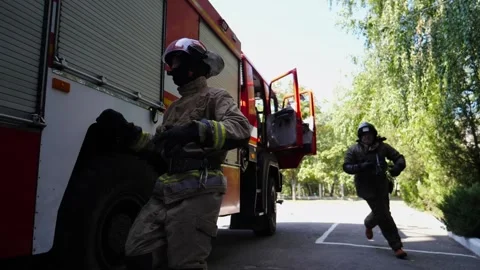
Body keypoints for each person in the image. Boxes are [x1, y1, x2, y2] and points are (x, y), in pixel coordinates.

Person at [96, 37, 251, 269]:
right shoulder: (174, 109)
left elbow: (241, 128)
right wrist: (129, 134)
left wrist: (197, 130)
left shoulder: (216, 97)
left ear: (195, 64)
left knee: (186, 264)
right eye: (170, 64)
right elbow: (160, 148)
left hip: (199, 191)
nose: (171, 70)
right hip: (165, 193)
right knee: (137, 252)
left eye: (177, 62)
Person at [342, 122, 407, 259]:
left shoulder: (383, 147)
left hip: (382, 185)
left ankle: (368, 223)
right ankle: (397, 246)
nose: (367, 137)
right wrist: (361, 167)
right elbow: (346, 166)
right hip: (366, 188)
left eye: (369, 135)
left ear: (374, 135)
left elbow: (399, 158)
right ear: (360, 137)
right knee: (383, 215)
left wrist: (397, 168)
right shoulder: (354, 150)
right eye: (364, 135)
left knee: (383, 212)